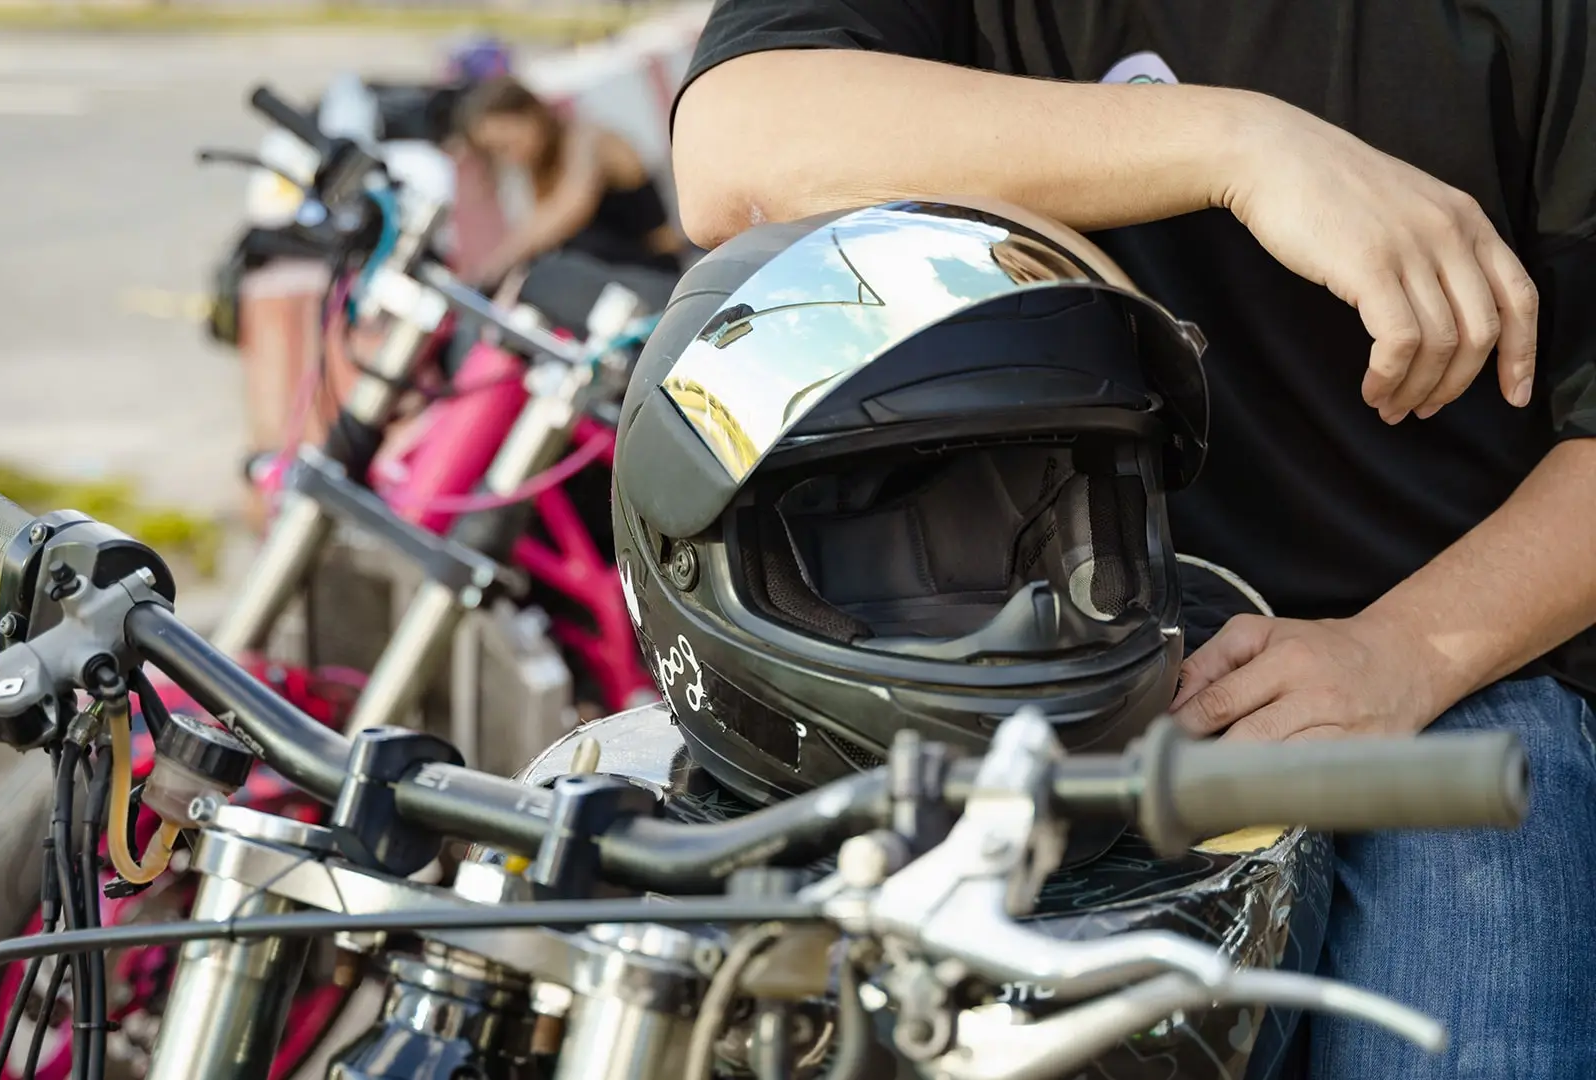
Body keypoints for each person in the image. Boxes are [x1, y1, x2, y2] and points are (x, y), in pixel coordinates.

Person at [670, 3, 1596, 1079]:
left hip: (1450, 669)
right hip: (993, 659)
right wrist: (1243, 145)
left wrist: (1404, 655)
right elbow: (737, 150)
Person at [455, 75, 685, 319]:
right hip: (614, 286)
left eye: (507, 145)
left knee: (549, 272)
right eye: (495, 152)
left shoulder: (591, 141)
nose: (508, 158)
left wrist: (491, 271)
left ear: (532, 115)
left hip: (658, 275)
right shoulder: (540, 168)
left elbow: (567, 212)